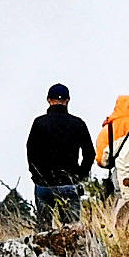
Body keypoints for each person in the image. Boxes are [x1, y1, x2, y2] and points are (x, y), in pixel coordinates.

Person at [26, 83, 96, 227]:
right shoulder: (78, 123)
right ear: (67, 100)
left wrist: (36, 174)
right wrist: (80, 175)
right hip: (69, 183)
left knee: (44, 231)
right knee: (72, 230)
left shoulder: (39, 123)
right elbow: (89, 153)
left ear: (48, 100)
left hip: (44, 184)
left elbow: (31, 151)